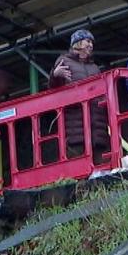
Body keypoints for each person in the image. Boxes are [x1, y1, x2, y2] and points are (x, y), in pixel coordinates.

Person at [49, 28, 109, 161]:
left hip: (97, 126)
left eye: (92, 42)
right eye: (88, 41)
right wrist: (55, 75)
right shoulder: (64, 61)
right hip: (75, 127)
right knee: (78, 163)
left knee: (101, 167)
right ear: (78, 43)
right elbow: (54, 89)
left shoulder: (95, 67)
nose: (91, 45)